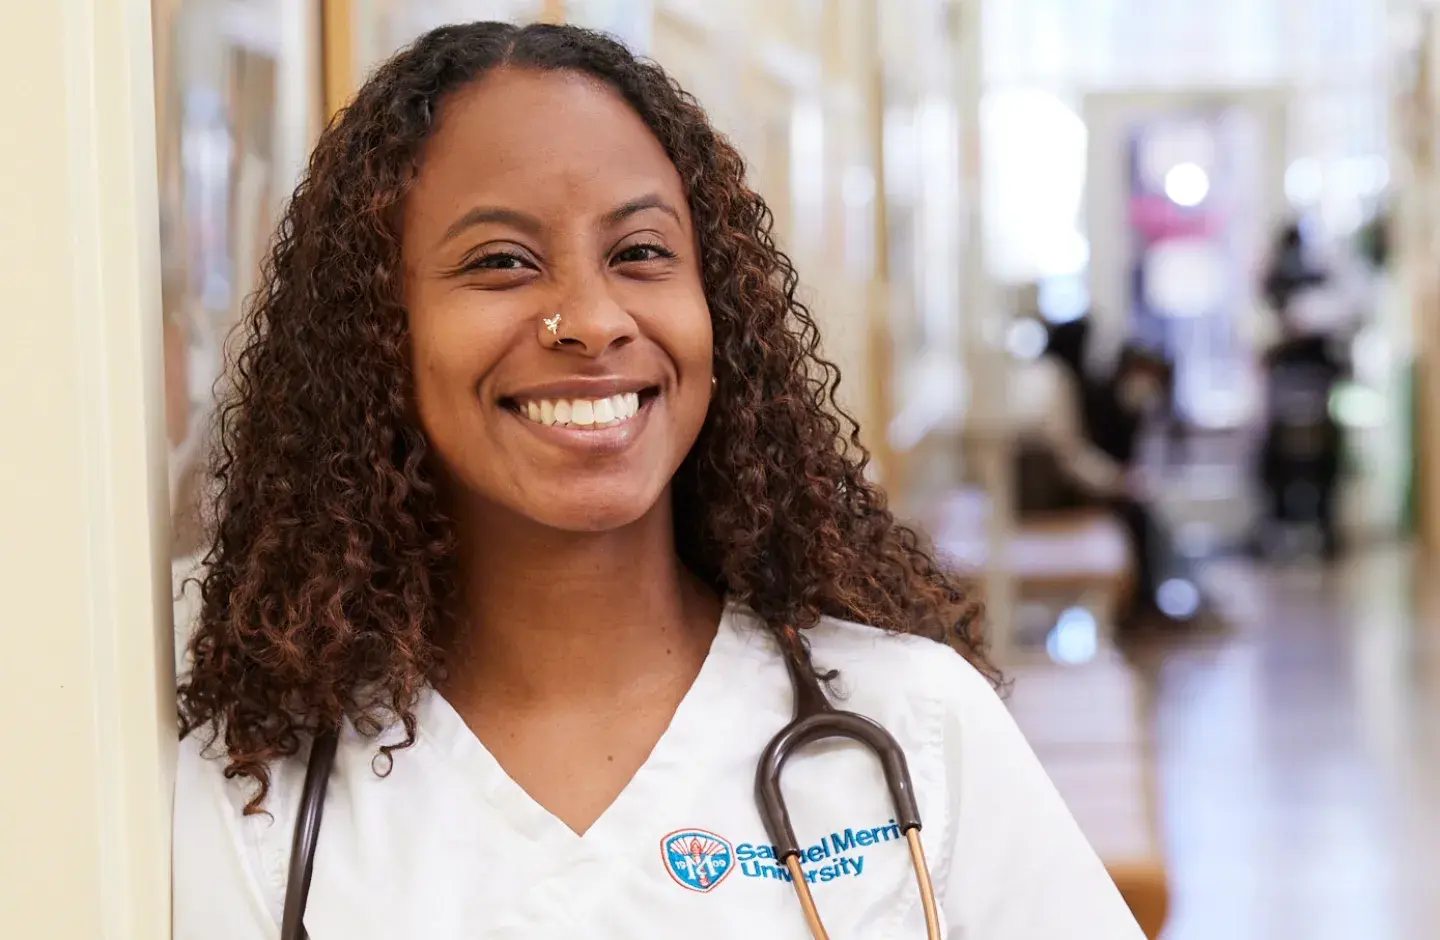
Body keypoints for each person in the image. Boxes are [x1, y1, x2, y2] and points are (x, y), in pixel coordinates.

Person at [172, 22, 1144, 939]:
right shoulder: (258, 788)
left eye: (640, 253)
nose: (591, 320)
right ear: (376, 335)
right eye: (501, 262)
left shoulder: (915, 725)